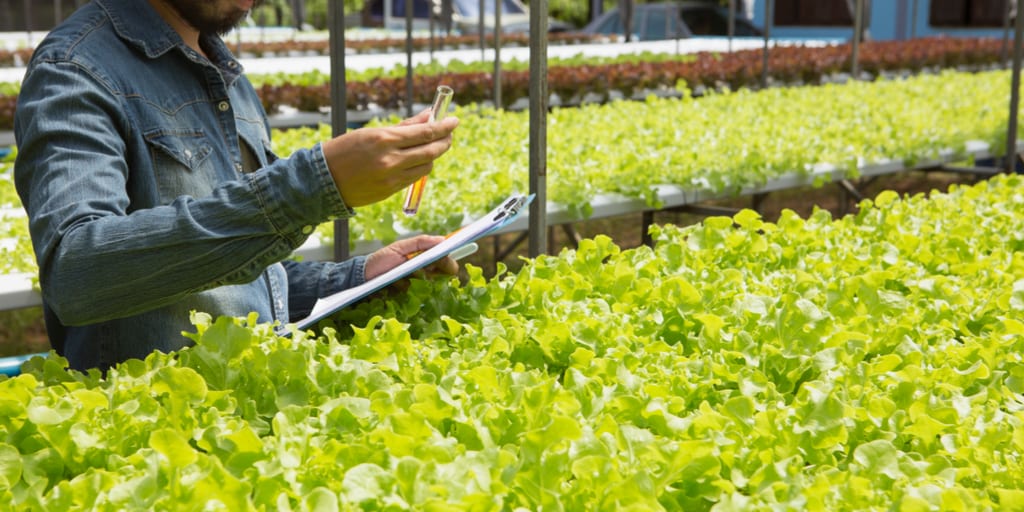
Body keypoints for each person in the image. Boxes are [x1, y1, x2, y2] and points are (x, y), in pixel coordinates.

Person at [13, 0, 460, 372]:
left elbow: (242, 285)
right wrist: (316, 184)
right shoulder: (75, 67)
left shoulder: (227, 76)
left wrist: (361, 278)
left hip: (245, 430)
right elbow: (76, 273)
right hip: (157, 451)